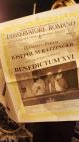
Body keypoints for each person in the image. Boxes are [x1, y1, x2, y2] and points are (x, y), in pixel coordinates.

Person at [29, 1, 76, 142]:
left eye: (64, 15)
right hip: (42, 112)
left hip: (64, 114)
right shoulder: (44, 42)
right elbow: (37, 73)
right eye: (55, 15)